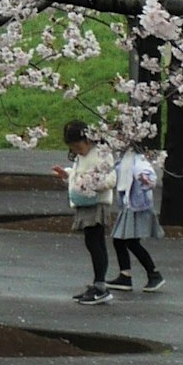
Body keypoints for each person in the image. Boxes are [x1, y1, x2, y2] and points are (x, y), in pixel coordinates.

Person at [63, 125, 119, 302]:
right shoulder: (82, 156)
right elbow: (79, 175)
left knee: (95, 243)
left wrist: (92, 185)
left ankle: (100, 286)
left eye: (78, 147)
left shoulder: (101, 153)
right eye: (72, 148)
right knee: (93, 242)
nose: (76, 151)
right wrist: (66, 174)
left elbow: (111, 178)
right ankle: (98, 284)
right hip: (84, 202)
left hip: (96, 202)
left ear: (88, 140)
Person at [109, 137, 165, 293]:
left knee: (128, 241)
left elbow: (147, 175)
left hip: (136, 205)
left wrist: (146, 180)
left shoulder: (137, 160)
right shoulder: (125, 158)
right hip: (130, 204)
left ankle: (152, 274)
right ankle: (127, 275)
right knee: (122, 241)